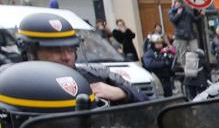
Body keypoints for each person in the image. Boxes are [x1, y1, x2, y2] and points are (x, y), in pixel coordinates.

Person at [15, 11, 147, 103]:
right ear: (30, 52)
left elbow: (149, 105)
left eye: (70, 49)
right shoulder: (14, 87)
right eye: (56, 50)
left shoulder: (97, 76)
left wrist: (122, 93)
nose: (66, 57)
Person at [168, 0, 202, 68]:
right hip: (180, 36)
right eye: (177, 5)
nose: (178, 6)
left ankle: (195, 66)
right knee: (182, 53)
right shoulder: (171, 12)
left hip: (191, 35)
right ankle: (184, 67)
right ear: (174, 5)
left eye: (179, 5)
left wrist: (201, 15)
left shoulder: (187, 11)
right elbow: (173, 20)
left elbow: (195, 19)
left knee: (195, 51)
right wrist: (178, 14)